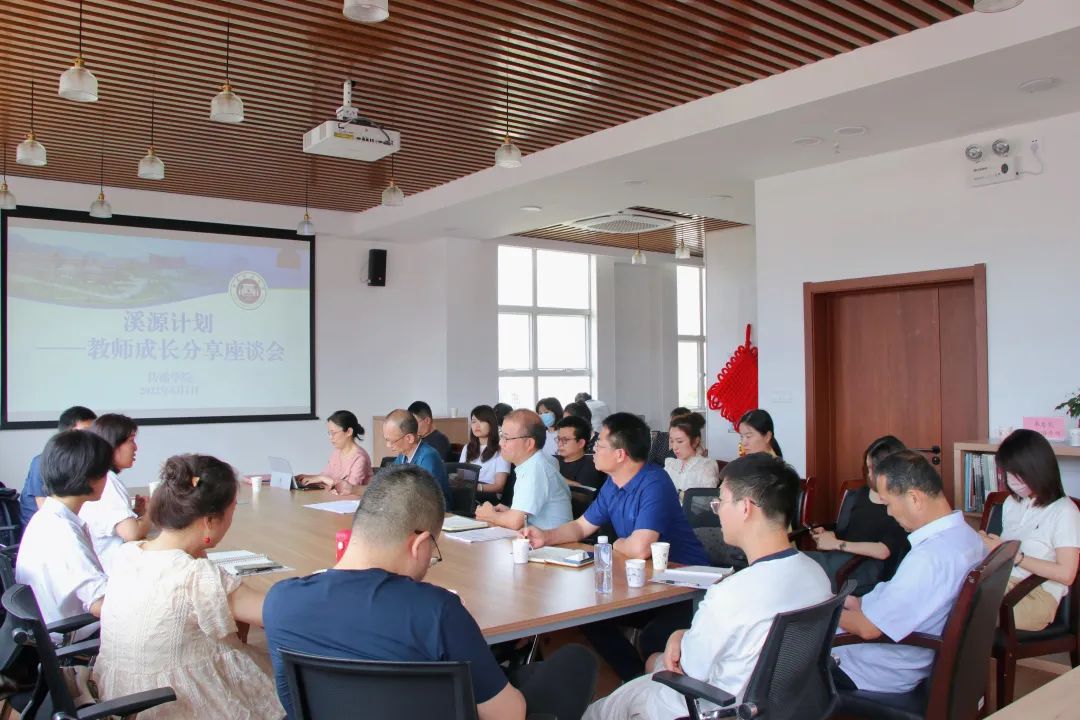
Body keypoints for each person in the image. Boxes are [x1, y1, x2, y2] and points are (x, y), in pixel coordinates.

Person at [263, 465, 598, 720]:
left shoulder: (281, 601)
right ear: (420, 544)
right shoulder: (437, 610)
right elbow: (508, 714)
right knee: (575, 660)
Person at [581, 453, 833, 720]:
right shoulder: (817, 575)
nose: (717, 510)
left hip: (709, 708)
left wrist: (674, 642)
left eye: (720, 501)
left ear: (745, 508)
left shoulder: (730, 593)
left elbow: (689, 669)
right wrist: (681, 635)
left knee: (599, 710)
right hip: (778, 706)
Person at [523, 413, 710, 681]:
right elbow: (581, 527)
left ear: (620, 454)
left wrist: (618, 544)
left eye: (599, 445)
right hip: (645, 582)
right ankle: (634, 678)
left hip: (684, 587)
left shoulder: (654, 482)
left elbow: (640, 548)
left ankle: (643, 682)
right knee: (589, 616)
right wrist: (545, 536)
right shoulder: (613, 484)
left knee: (652, 637)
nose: (594, 451)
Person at [94, 454, 282, 720]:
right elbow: (279, 615)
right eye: (232, 512)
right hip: (175, 705)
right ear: (209, 520)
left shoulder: (128, 554)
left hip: (120, 696)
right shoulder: (196, 577)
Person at [832, 450, 986, 695]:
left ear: (914, 498)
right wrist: (860, 602)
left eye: (889, 504)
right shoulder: (968, 537)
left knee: (786, 653)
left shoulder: (930, 558)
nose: (889, 513)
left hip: (875, 669)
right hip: (910, 655)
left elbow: (868, 629)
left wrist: (821, 612)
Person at [979, 429, 1080, 631]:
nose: (1010, 480)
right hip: (1001, 583)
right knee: (951, 599)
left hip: (1036, 595)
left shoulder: (1064, 512)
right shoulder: (1012, 503)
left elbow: (1067, 574)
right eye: (1007, 473)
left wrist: (1015, 556)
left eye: (1015, 473)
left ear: (1035, 469)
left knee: (969, 612)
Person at [16, 430, 111, 627]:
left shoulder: (47, 517)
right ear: (88, 476)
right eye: (104, 472)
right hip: (75, 635)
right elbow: (101, 604)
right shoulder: (63, 533)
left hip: (55, 627)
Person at [805, 435, 910, 594]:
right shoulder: (861, 494)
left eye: (872, 469)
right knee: (797, 563)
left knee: (805, 573)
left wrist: (836, 544)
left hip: (867, 569)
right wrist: (830, 535)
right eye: (867, 468)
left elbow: (883, 551)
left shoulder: (900, 504)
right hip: (843, 559)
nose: (869, 475)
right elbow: (849, 532)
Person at [475, 410, 572, 530]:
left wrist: (490, 515)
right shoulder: (534, 462)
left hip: (553, 540)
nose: (500, 443)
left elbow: (514, 523)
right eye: (501, 436)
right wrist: (510, 512)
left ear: (529, 443)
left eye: (506, 438)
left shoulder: (535, 469)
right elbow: (519, 519)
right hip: (537, 535)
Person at [79, 413, 150, 574]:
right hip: (112, 575)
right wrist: (151, 512)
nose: (135, 447)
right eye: (131, 440)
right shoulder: (108, 481)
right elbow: (131, 534)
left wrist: (136, 513)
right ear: (112, 444)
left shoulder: (101, 477)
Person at [20, 405, 97, 526]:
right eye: (86, 432)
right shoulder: (42, 461)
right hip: (42, 527)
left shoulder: (81, 461)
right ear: (67, 433)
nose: (92, 437)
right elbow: (44, 508)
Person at [295, 410, 373, 494]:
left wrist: (322, 478)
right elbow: (326, 476)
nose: (330, 437)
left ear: (349, 432)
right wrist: (305, 477)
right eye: (329, 433)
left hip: (354, 501)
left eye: (333, 433)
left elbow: (349, 489)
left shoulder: (360, 458)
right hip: (334, 499)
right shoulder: (337, 452)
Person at [384, 409, 451, 503]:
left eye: (392, 441)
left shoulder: (428, 457)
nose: (388, 445)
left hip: (433, 509)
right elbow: (390, 481)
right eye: (386, 440)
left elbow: (424, 497)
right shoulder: (402, 456)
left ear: (409, 438)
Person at [663, 411, 719, 496]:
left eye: (679, 441)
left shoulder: (705, 466)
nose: (674, 447)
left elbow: (706, 500)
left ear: (695, 441)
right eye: (672, 441)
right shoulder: (671, 465)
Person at [460, 405, 511, 493]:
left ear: (491, 424)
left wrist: (476, 487)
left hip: (488, 495)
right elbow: (461, 477)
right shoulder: (467, 448)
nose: (476, 426)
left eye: (482, 421)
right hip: (467, 492)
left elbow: (499, 486)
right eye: (474, 421)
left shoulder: (501, 449)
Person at [555, 416, 606, 491]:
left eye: (565, 440)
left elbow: (584, 495)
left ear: (581, 443)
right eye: (558, 439)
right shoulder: (552, 461)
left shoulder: (593, 466)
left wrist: (555, 478)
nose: (559, 444)